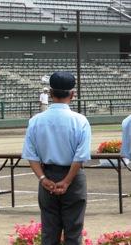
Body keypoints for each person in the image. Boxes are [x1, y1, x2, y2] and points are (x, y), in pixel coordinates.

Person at [22, 72, 91, 245]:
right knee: (73, 231)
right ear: (72, 94)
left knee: (49, 231)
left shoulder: (36, 121)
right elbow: (80, 156)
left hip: (47, 174)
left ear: (51, 94)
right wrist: (67, 181)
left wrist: (43, 178)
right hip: (73, 177)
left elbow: (31, 155)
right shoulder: (80, 120)